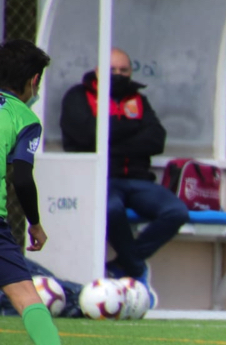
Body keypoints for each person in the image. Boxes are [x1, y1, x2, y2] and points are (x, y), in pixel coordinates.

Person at [0, 39, 107, 345]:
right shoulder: (23, 117)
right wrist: (35, 223)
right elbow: (20, 175)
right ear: (33, 80)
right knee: (25, 293)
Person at [60, 47, 189, 305]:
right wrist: (130, 130)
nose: (118, 75)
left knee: (177, 212)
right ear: (97, 72)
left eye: (123, 70)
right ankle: (137, 269)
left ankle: (123, 264)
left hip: (139, 181)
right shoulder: (78, 96)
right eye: (111, 71)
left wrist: (108, 137)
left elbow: (156, 140)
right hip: (101, 179)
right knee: (111, 209)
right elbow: (85, 137)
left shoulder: (139, 100)